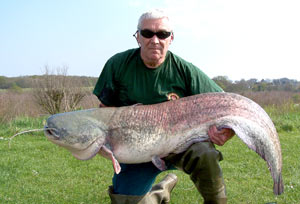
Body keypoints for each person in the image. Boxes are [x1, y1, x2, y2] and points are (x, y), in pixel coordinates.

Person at [93, 9, 234, 204]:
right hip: (136, 151)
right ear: (138, 37)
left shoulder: (185, 70)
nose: (155, 40)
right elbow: (103, 113)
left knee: (205, 154)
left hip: (179, 145)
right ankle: (161, 191)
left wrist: (228, 131)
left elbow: (226, 105)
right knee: (127, 201)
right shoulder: (117, 65)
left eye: (162, 34)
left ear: (171, 38)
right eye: (148, 33)